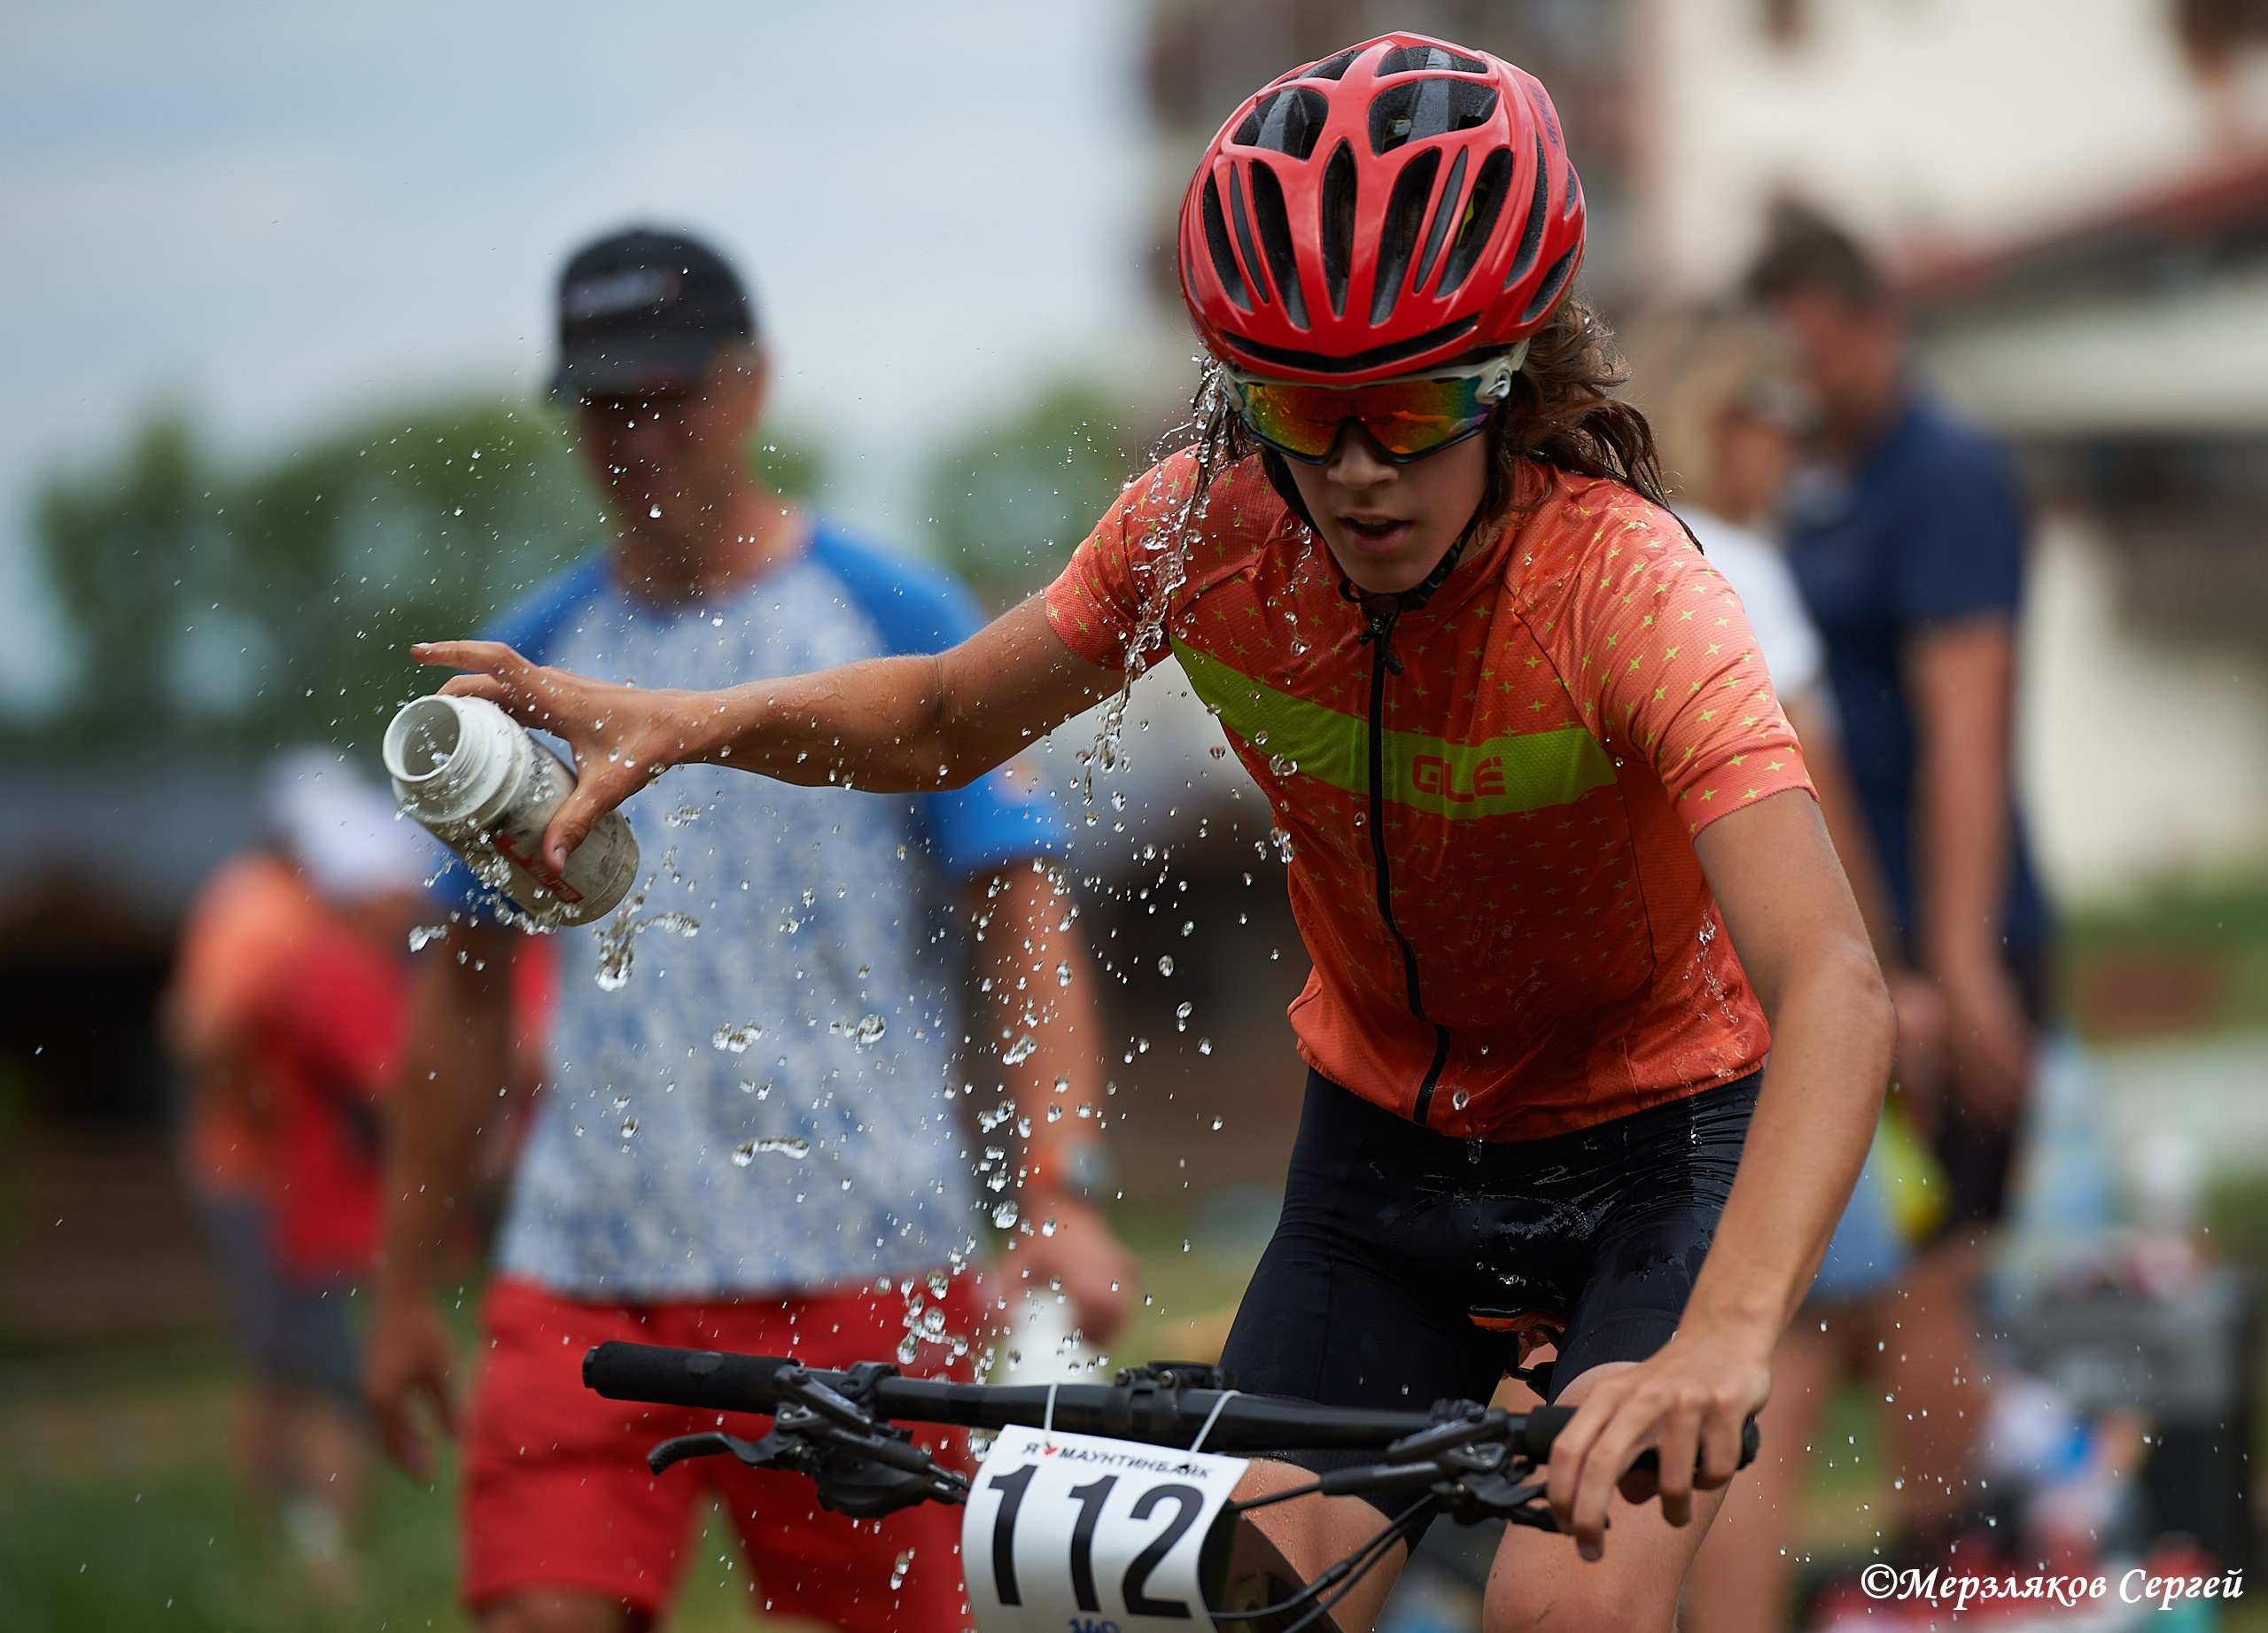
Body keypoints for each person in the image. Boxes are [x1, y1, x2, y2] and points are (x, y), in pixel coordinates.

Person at [414, 47, 1896, 1633]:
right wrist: (682, 720)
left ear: (1511, 376)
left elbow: (1834, 986)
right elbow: (937, 720)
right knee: (1241, 1595)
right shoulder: (1205, 532)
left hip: (1651, 1148)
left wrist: (1727, 1336)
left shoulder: (1627, 591)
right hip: (1387, 1148)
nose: (1356, 471)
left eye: (1409, 407)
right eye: (1301, 412)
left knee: (1561, 1610)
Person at [363, 227, 1134, 1633]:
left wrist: (1059, 1186)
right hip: (588, 1272)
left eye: (669, 393)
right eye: (604, 402)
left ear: (753, 384)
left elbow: (1023, 917)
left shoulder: (888, 614)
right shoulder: (524, 673)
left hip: (866, 1258)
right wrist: (408, 1281)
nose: (636, 433)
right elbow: (465, 996)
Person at [1639, 317, 1982, 1633]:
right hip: (1770, 1017)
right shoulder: (1740, 568)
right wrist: (1893, 975)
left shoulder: (1612, 553)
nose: (1793, 439)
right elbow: (1808, 795)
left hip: (1654, 1035)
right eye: (1771, 409)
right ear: (1720, 418)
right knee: (1776, 1370)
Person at [1747, 206, 2047, 1559]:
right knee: (1853, 1297)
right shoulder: (1824, 486)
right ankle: (1922, 1557)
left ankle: (1944, 1565)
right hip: (1856, 940)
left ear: (1876, 325)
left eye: (1816, 358)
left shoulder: (1942, 476)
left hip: (1937, 943)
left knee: (1930, 1277)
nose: (1798, 390)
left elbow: (1967, 732)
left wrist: (1959, 959)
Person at [166, 750, 441, 1586]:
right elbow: (200, 1031)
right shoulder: (272, 912)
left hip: (248, 1171)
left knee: (277, 1366)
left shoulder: (257, 900)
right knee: (315, 1372)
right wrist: (263, 1112)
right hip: (262, 1178)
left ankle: (272, 1547)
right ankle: (321, 1557)